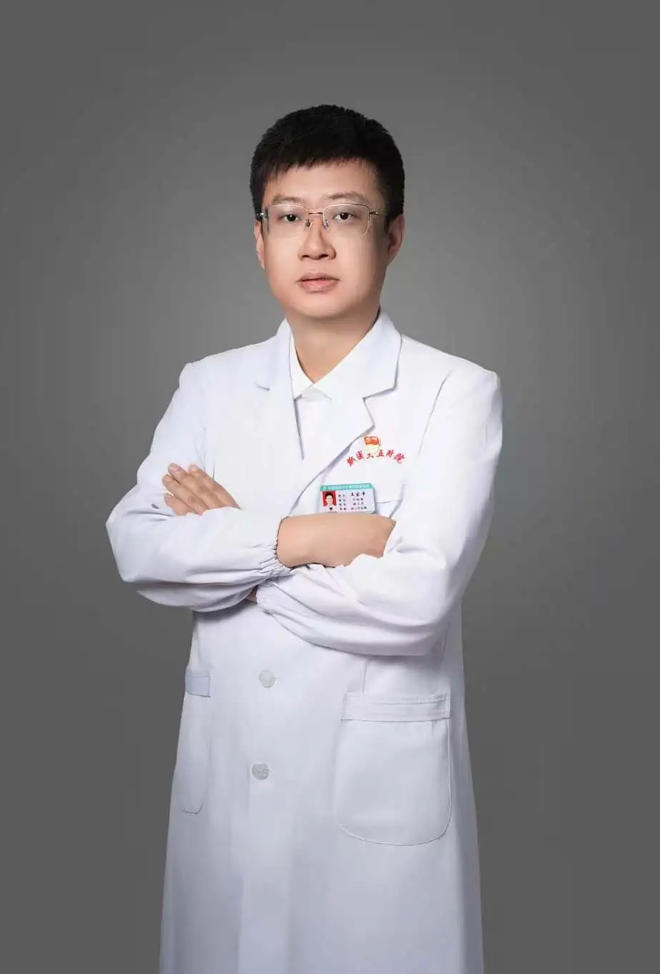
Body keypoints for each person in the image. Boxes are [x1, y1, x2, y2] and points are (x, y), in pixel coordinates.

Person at [105, 103, 503, 974]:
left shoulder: (453, 392)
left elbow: (416, 600)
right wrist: (311, 537)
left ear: (393, 235)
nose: (314, 244)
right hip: (227, 794)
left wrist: (229, 551)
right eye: (289, 217)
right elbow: (138, 545)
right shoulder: (209, 387)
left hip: (376, 802)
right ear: (259, 240)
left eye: (345, 216)